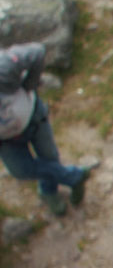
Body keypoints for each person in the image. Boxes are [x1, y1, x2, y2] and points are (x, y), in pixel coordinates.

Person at [0, 42, 92, 216]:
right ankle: (74, 176)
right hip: (6, 141)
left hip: (35, 119)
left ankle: (49, 192)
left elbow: (37, 52)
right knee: (21, 170)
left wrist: (29, 85)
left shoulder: (4, 67)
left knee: (49, 157)